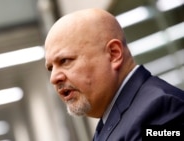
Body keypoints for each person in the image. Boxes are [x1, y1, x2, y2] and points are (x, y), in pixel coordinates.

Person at [44, 8, 184, 141]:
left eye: (65, 61)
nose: (54, 78)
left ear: (114, 54)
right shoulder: (110, 120)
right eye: (51, 68)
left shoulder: (161, 109)